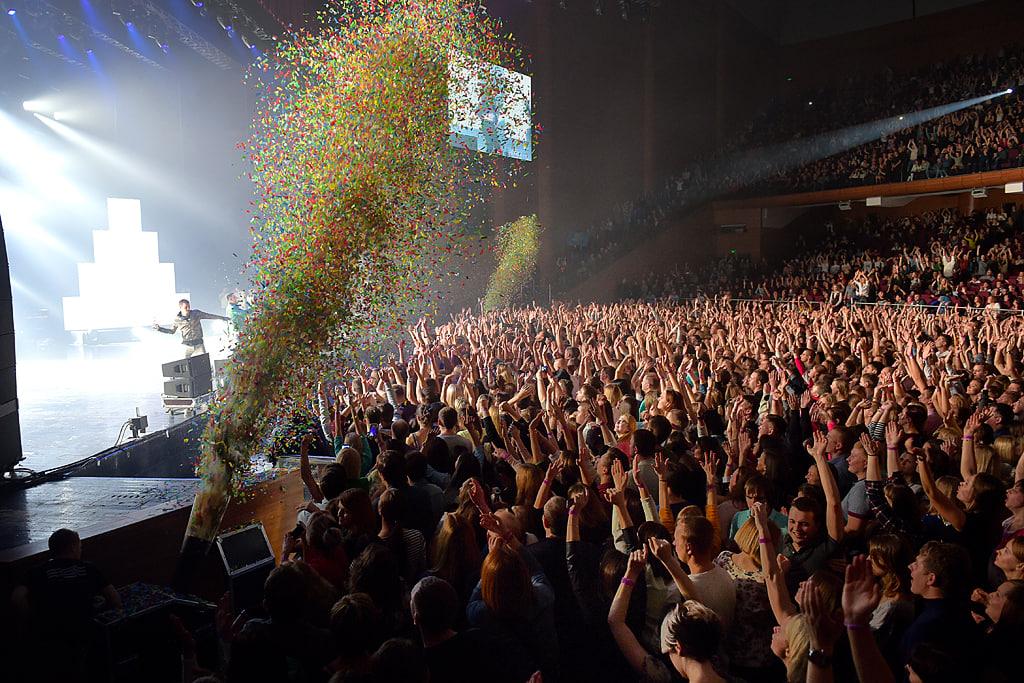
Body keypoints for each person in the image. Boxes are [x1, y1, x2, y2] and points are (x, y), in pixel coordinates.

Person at [153, 298, 229, 358]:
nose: (188, 308)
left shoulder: (196, 313)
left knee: (204, 361)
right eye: (186, 307)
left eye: (189, 306)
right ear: (181, 308)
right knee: (185, 365)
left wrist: (223, 318)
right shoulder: (177, 319)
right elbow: (172, 331)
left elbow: (209, 316)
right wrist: (160, 329)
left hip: (199, 343)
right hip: (187, 345)